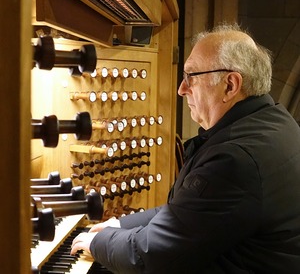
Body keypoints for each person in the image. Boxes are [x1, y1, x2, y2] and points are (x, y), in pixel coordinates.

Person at [71, 23, 300, 273]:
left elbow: (152, 257)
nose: (182, 89)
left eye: (191, 76)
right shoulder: (276, 121)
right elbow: (190, 211)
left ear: (230, 85)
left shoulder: (235, 160)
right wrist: (119, 224)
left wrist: (98, 242)